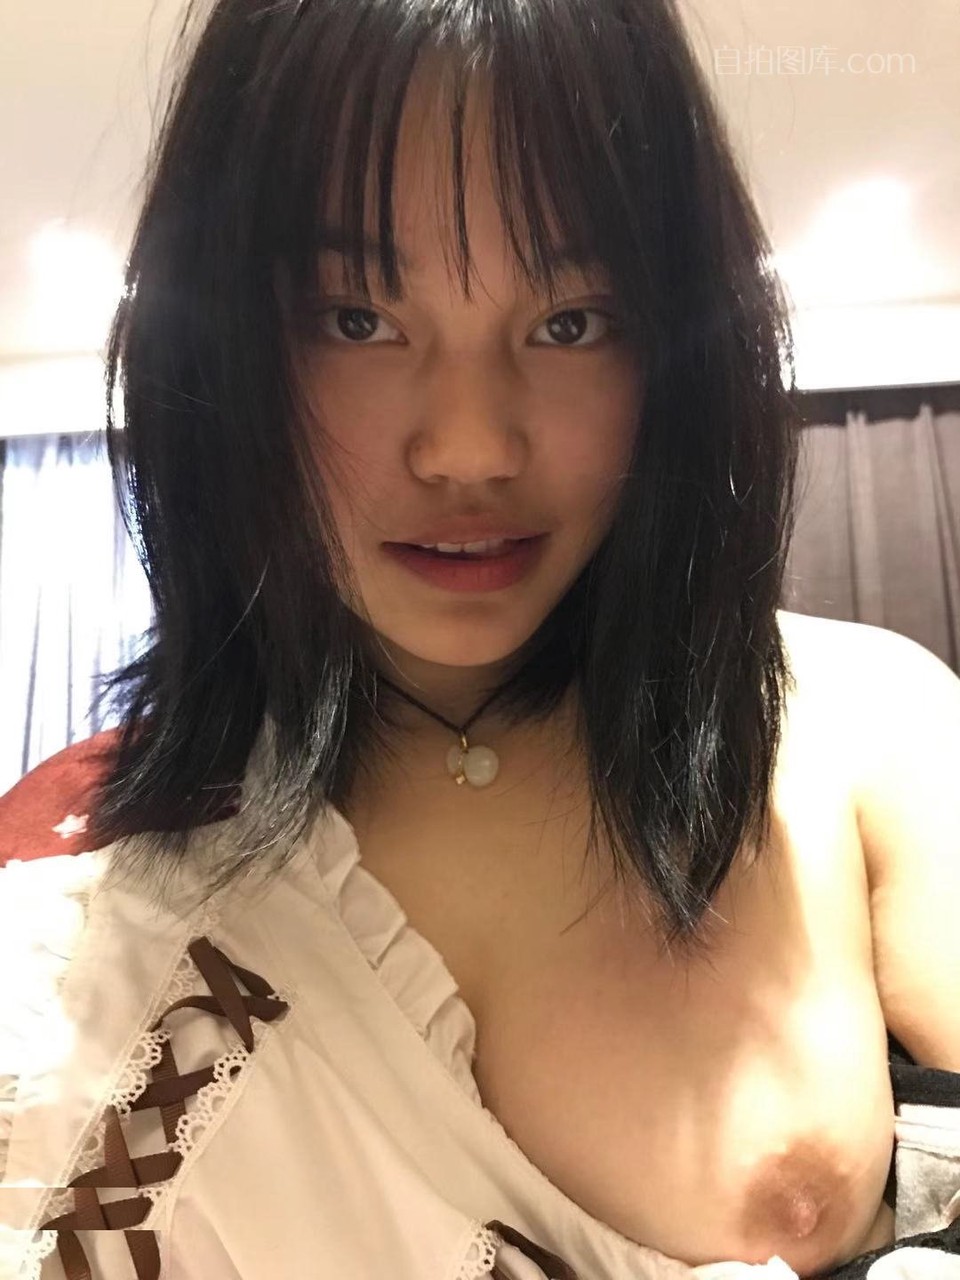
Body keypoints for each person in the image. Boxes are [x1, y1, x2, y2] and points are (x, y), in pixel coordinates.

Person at [2, 0, 959, 1276]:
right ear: (223, 353)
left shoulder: (852, 720)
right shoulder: (92, 885)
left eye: (571, 321)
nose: (470, 449)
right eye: (355, 318)